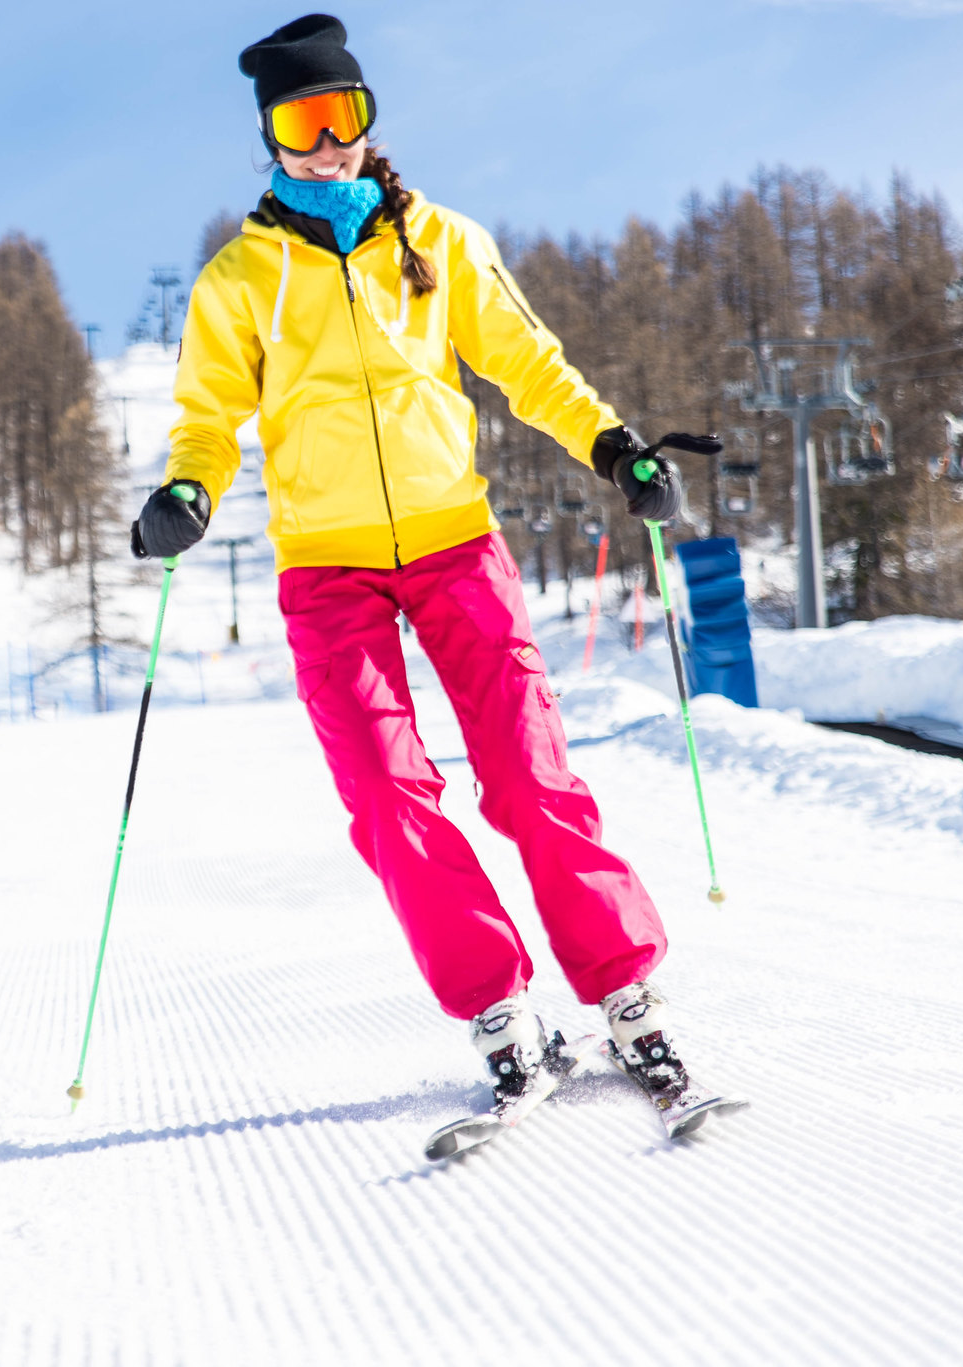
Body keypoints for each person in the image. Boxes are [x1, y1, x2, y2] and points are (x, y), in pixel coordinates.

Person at [134, 14, 698, 1116]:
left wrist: (613, 446)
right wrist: (188, 490)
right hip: (326, 568)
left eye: (341, 115)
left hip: (453, 542)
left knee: (528, 773)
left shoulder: (437, 240)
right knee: (388, 796)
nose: (325, 144)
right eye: (301, 123)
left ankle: (627, 992)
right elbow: (206, 416)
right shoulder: (239, 278)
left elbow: (528, 364)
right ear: (269, 137)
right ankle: (500, 1008)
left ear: (366, 118)